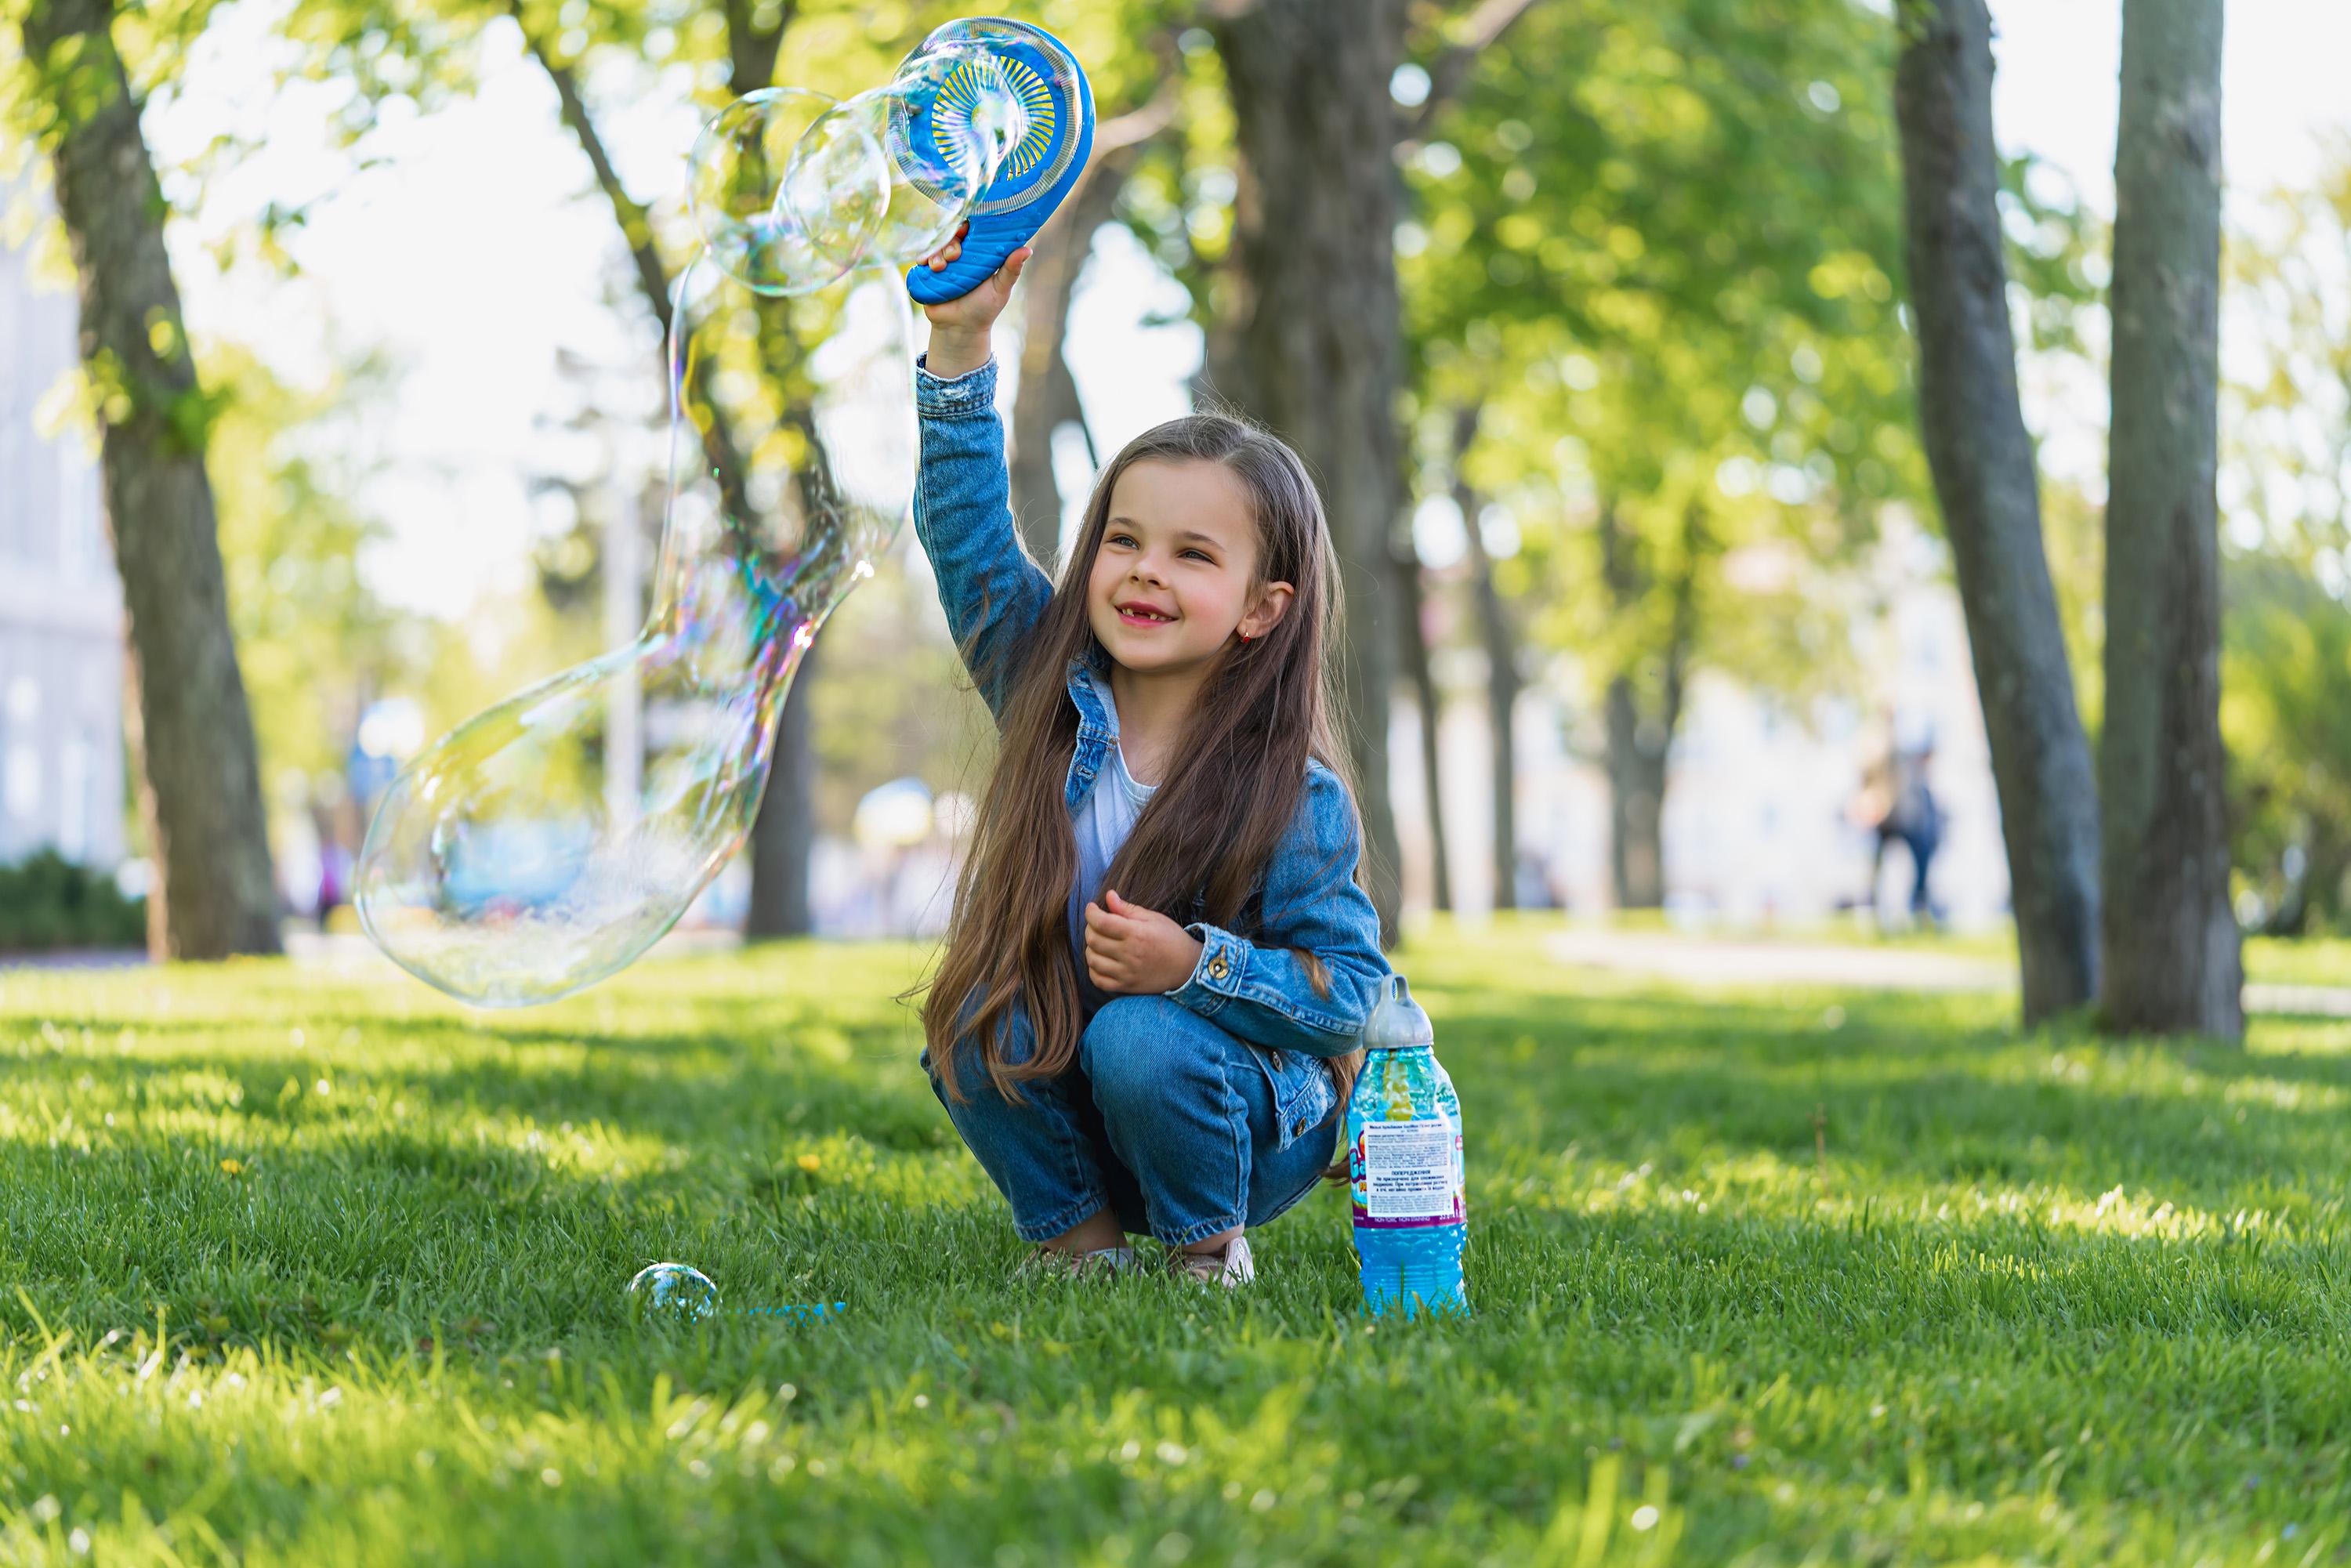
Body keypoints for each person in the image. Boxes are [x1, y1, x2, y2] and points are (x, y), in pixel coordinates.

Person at [908, 226, 1389, 1288]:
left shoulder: (1292, 796)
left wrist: (1196, 965)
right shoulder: (1043, 680)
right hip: (1080, 1075)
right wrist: (958, 346)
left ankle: (1207, 1249)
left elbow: (1349, 989)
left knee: (1144, 1038)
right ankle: (1084, 1247)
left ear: (1266, 608)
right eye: (1125, 540)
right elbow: (969, 534)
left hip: (1237, 1104)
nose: (1144, 571)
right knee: (983, 1002)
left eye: (1192, 554)